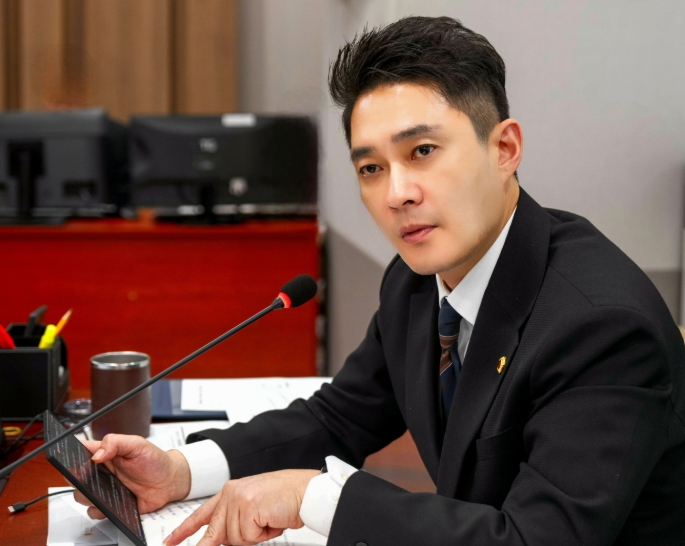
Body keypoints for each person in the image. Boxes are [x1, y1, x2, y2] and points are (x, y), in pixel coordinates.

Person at [76, 16, 685, 546]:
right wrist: (180, 470)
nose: (397, 194)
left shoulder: (600, 327)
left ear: (504, 149)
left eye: (422, 151)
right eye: (370, 167)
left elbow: (535, 538)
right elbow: (340, 417)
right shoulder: (417, 280)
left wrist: (315, 496)